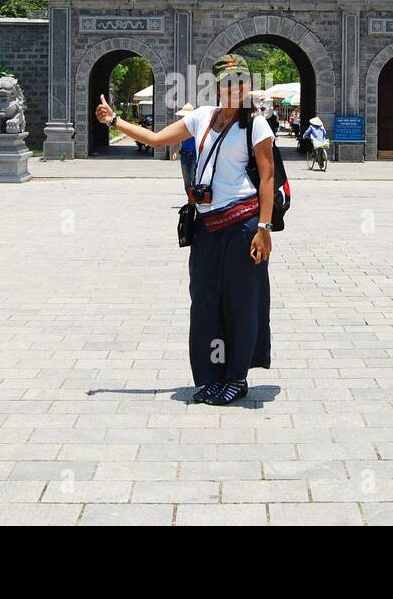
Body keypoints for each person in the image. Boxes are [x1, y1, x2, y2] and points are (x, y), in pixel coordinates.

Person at [95, 54, 275, 406]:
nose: (235, 87)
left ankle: (237, 377)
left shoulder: (256, 125)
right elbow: (158, 138)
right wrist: (115, 120)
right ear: (217, 87)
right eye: (227, 82)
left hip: (243, 224)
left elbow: (267, 177)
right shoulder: (201, 117)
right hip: (207, 226)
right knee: (206, 303)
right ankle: (212, 375)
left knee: (240, 302)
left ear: (249, 86)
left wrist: (264, 228)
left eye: (241, 81)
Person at [175, 102, 196, 189]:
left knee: (193, 178)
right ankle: (190, 200)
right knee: (186, 180)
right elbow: (177, 139)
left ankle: (193, 200)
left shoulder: (196, 125)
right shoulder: (181, 127)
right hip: (184, 155)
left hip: (195, 155)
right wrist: (175, 151)